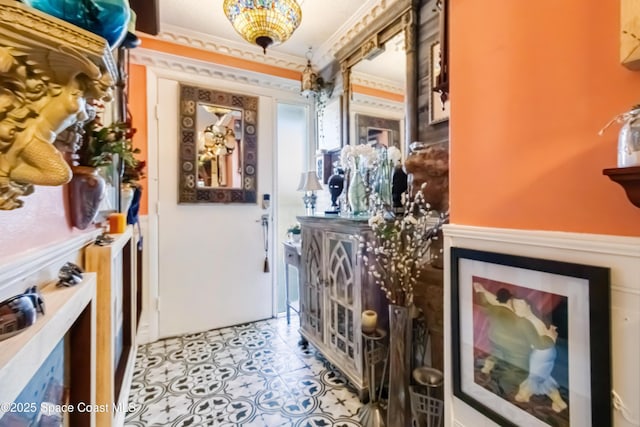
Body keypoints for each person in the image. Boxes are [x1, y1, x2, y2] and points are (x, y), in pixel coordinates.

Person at [473, 282, 567, 413]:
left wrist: (551, 338)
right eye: (515, 305)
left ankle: (525, 395)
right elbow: (497, 302)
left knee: (536, 377)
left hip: (542, 352)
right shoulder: (529, 316)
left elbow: (541, 343)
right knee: (542, 378)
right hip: (544, 351)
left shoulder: (526, 321)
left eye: (518, 305)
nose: (516, 307)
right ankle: (556, 401)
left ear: (527, 306)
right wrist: (482, 290)